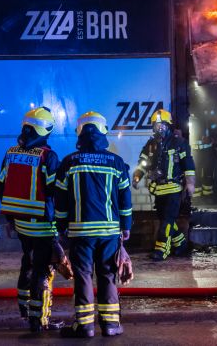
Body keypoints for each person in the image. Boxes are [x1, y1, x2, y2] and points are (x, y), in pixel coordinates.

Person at [55, 111, 132, 338]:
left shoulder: (69, 162)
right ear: (103, 132)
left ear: (80, 132)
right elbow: (125, 199)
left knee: (83, 276)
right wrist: (126, 226)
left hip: (80, 231)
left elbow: (60, 200)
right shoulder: (116, 162)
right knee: (108, 275)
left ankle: (85, 326)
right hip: (109, 231)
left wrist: (61, 225)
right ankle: (111, 325)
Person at [0, 106, 64, 332]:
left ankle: (24, 311)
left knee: (27, 262)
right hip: (43, 225)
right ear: (46, 130)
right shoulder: (48, 156)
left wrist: (10, 219)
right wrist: (59, 224)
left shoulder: (11, 153)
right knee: (42, 270)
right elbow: (55, 192)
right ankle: (39, 319)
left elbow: (1, 186)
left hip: (20, 224)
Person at [132, 109, 196, 261]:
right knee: (166, 220)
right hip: (158, 189)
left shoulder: (179, 143)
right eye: (156, 125)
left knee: (167, 220)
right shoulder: (150, 145)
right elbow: (143, 163)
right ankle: (181, 244)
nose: (159, 128)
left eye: (162, 125)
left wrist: (190, 184)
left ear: (168, 126)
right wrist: (137, 177)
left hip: (173, 189)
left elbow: (188, 164)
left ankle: (161, 250)